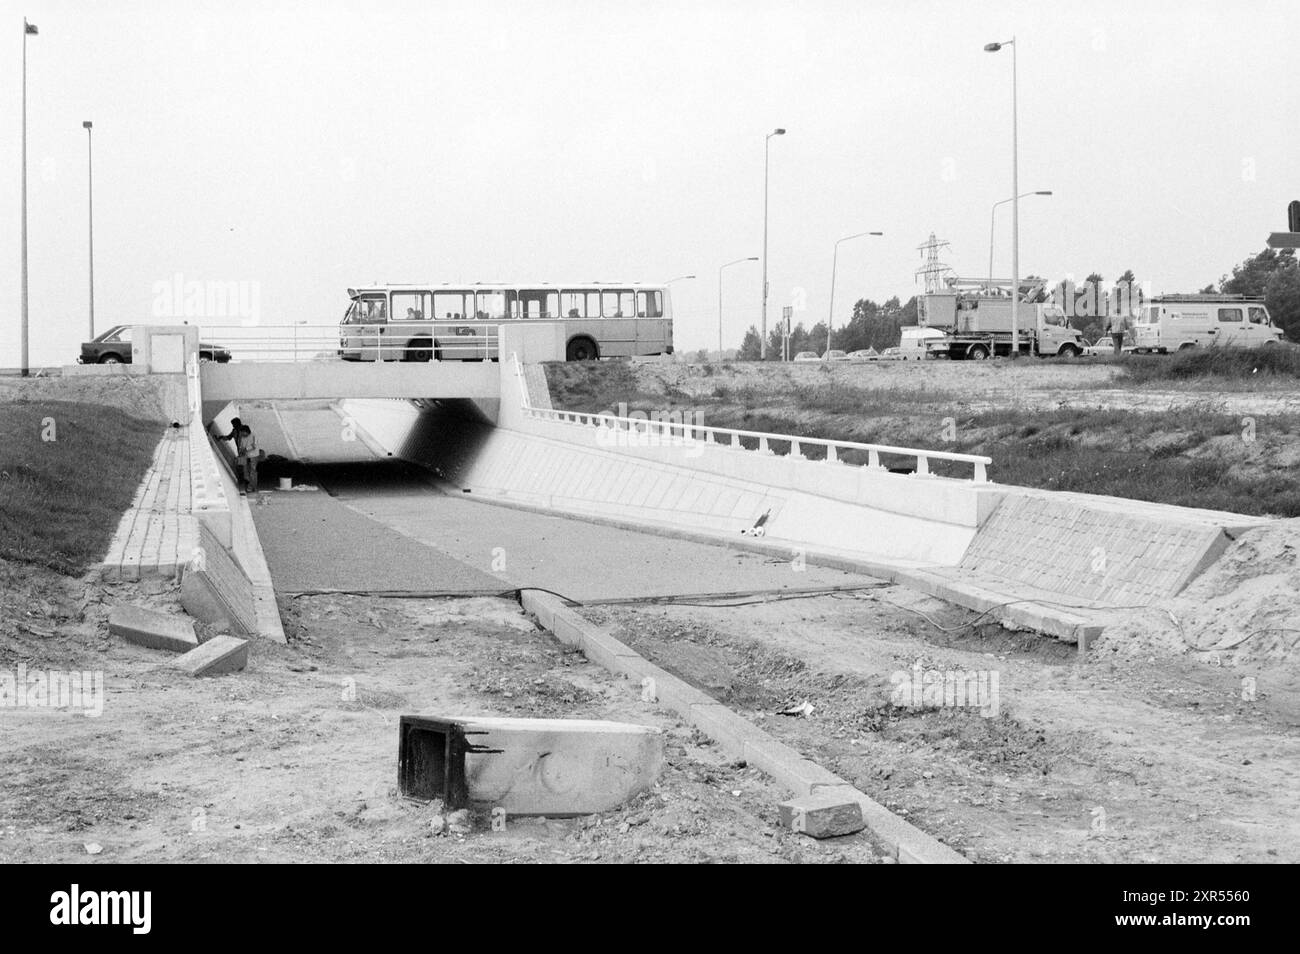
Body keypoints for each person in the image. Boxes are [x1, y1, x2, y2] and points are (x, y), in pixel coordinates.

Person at [238, 424, 260, 493]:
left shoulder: (254, 435)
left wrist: (246, 449)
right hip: (245, 456)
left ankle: (251, 487)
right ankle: (251, 486)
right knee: (245, 472)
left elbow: (254, 445)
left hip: (253, 456)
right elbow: (241, 446)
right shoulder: (242, 437)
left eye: (243, 432)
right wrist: (240, 452)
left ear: (246, 431)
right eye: (241, 433)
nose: (242, 434)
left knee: (252, 471)